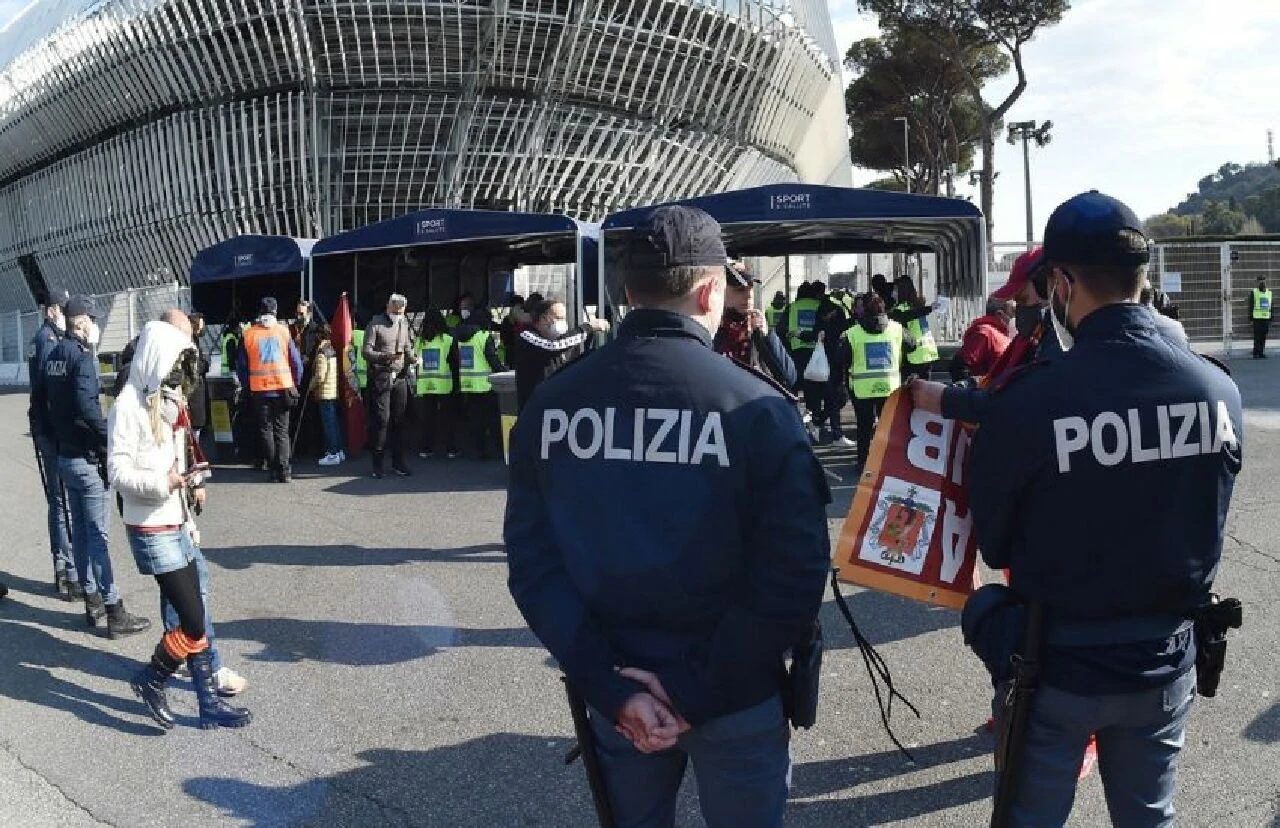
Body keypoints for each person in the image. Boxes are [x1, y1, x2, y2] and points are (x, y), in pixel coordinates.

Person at [506, 204, 830, 827]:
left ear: (628, 291)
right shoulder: (756, 407)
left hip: (617, 687)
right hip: (734, 691)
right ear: (711, 290)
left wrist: (614, 687)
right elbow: (793, 574)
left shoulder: (553, 404)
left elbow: (534, 567)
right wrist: (694, 690)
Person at [963, 190, 1242, 825]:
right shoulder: (1216, 386)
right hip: (1166, 659)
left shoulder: (1032, 400)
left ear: (1061, 283)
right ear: (1143, 274)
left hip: (1055, 670)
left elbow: (997, 546)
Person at [108, 319, 252, 731]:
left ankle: (207, 702)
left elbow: (181, 458)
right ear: (156, 358)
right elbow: (116, 471)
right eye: (173, 363)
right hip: (151, 528)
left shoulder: (166, 402)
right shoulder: (128, 406)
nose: (178, 374)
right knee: (190, 618)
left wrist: (189, 488)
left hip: (176, 521)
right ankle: (151, 680)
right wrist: (161, 484)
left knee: (198, 612)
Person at [43, 296, 150, 637]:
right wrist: (113, 440)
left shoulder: (56, 354)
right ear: (84, 321)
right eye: (93, 319)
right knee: (99, 536)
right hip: (87, 461)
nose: (96, 325)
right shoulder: (81, 358)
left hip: (65, 457)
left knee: (83, 535)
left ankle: (92, 602)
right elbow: (89, 411)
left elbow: (47, 405)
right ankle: (114, 609)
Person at [27, 298, 80, 599]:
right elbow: (48, 392)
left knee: (60, 502)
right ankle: (65, 568)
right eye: (62, 307)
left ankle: (65, 566)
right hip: (52, 433)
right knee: (61, 502)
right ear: (51, 311)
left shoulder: (44, 338)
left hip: (47, 431)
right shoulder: (48, 341)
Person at [837, 293, 916, 466]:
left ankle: (863, 463)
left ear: (863, 310)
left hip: (862, 388)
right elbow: (912, 345)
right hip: (890, 387)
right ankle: (891, 462)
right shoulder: (896, 329)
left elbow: (842, 359)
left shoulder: (852, 333)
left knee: (864, 428)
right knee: (889, 427)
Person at [236, 297, 303, 482]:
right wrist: (294, 383)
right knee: (282, 431)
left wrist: (246, 384)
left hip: (259, 390)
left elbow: (241, 366)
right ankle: (285, 470)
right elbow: (296, 363)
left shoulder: (249, 334)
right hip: (283, 387)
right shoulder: (283, 332)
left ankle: (273, 470)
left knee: (266, 430)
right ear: (275, 311)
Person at [515, 296, 611, 411]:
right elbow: (553, 346)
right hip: (533, 409)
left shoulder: (552, 342)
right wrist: (588, 327)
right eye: (559, 318)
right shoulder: (527, 336)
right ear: (544, 318)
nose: (563, 323)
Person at [712, 264, 797, 390]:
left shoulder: (757, 331)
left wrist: (767, 336)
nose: (749, 296)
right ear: (722, 291)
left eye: (750, 288)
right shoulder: (712, 331)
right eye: (740, 289)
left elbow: (789, 377)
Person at [363, 294, 418, 478]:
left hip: (400, 377)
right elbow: (366, 351)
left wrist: (413, 358)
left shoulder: (403, 324)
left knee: (399, 420)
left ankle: (398, 462)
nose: (399, 314)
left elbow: (408, 346)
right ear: (389, 307)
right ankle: (377, 464)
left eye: (402, 312)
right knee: (382, 420)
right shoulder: (376, 323)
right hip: (382, 376)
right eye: (396, 311)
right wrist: (385, 357)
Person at [454, 301, 508, 459]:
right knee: (492, 418)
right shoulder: (483, 336)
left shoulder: (461, 337)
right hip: (485, 384)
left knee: (475, 420)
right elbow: (492, 359)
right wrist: (505, 372)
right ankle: (500, 448)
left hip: (468, 384)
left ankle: (479, 450)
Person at [415, 309, 460, 459]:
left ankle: (427, 449)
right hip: (444, 384)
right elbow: (455, 363)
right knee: (448, 418)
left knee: (428, 418)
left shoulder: (420, 340)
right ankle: (450, 449)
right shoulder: (447, 339)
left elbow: (415, 361)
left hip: (426, 384)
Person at [949, 295, 1015, 382]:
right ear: (1000, 314)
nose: (1015, 316)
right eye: (1013, 312)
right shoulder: (984, 332)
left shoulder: (1003, 334)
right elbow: (960, 365)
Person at [889, 276, 939, 380]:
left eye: (895, 289)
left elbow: (905, 317)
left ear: (901, 291)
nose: (893, 293)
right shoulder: (918, 306)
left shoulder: (901, 309)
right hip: (927, 353)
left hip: (914, 356)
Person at [313, 324, 345, 466]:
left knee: (329, 425)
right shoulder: (331, 350)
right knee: (334, 423)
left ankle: (332, 453)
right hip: (332, 391)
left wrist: (310, 387)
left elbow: (320, 376)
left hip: (325, 393)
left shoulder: (321, 352)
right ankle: (338, 451)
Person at [185, 313, 211, 443]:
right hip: (193, 392)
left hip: (195, 390)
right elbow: (194, 366)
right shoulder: (189, 341)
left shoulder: (194, 340)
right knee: (194, 428)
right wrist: (205, 364)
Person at [1249, 276, 1271, 358]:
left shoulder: (1269, 293)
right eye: (1260, 281)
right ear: (1257, 282)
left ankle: (1261, 352)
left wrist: (1271, 318)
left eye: (1263, 281)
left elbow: (1271, 306)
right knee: (1257, 336)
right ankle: (1255, 353)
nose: (1262, 283)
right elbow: (1251, 306)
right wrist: (1251, 318)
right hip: (1257, 318)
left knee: (1263, 336)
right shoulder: (1254, 292)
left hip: (1266, 318)